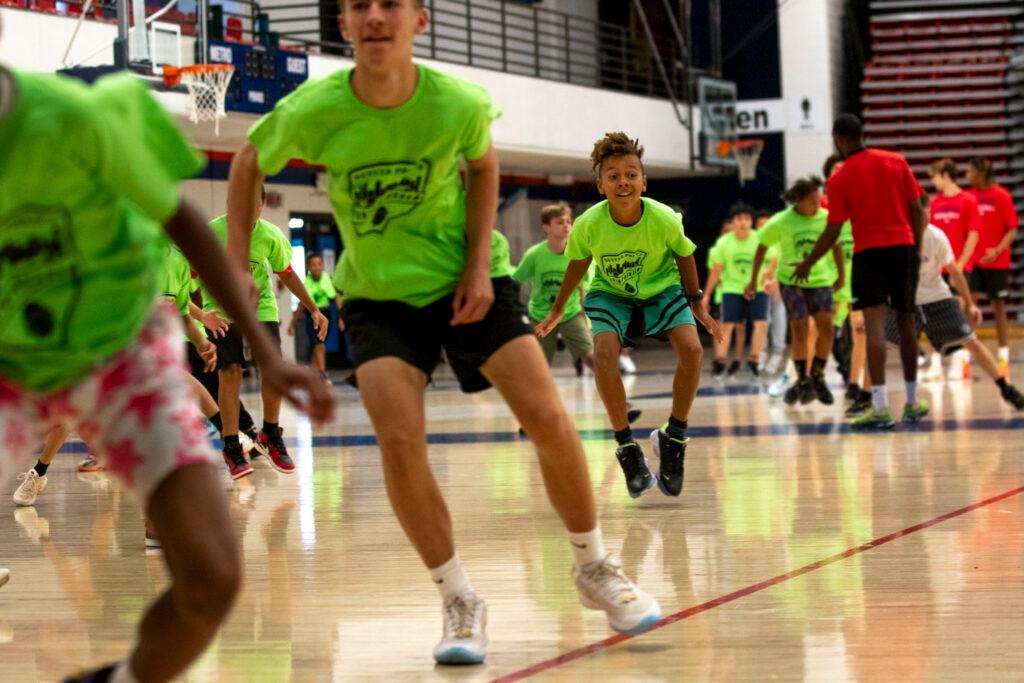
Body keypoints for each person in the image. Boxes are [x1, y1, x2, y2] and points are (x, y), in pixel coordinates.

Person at [223, 0, 661, 664]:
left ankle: (593, 563)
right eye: (359, 7)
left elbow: (484, 164)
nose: (374, 16)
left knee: (548, 414)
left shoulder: (454, 101)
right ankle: (459, 596)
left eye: (389, 5)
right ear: (343, 24)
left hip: (466, 283)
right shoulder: (315, 108)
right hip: (376, 298)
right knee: (400, 441)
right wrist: (234, 266)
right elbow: (246, 165)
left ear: (418, 20)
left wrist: (481, 262)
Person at [0, 56, 333, 682]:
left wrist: (265, 352)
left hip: (121, 354)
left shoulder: (88, 110)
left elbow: (185, 223)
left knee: (214, 574)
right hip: (13, 365)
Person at [537, 131, 723, 499]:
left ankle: (674, 438)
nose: (623, 181)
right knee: (604, 355)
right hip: (611, 293)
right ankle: (627, 448)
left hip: (661, 288)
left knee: (693, 350)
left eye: (631, 174)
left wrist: (696, 302)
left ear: (643, 180)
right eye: (614, 175)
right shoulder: (590, 224)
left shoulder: (664, 218)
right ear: (600, 185)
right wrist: (559, 308)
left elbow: (685, 255)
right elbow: (579, 262)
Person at [793, 114, 929, 429]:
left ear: (838, 139)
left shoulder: (840, 178)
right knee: (906, 323)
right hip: (903, 249)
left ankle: (879, 406)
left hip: (868, 254)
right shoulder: (896, 161)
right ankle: (911, 402)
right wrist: (917, 249)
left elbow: (833, 229)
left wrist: (808, 263)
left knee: (874, 326)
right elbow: (918, 209)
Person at [201, 193, 329, 479]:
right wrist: (201, 321)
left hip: (262, 308)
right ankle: (232, 445)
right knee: (230, 371)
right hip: (221, 308)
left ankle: (270, 433)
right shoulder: (212, 231)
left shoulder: (271, 235)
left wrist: (313, 309)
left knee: (273, 368)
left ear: (261, 206)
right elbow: (194, 277)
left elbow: (288, 274)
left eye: (252, 208)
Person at [884, 223, 1024, 410]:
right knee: (878, 344)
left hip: (938, 298)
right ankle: (869, 396)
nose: (924, 218)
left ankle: (1006, 389)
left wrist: (970, 304)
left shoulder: (936, 236)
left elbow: (955, 272)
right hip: (906, 301)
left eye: (926, 213)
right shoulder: (897, 236)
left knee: (972, 342)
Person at [746, 177, 843, 406]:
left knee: (827, 328)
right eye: (812, 201)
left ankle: (817, 376)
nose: (817, 204)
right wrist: (752, 281)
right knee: (799, 330)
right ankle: (802, 380)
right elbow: (761, 248)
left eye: (818, 199)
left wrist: (841, 275)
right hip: (791, 281)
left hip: (820, 280)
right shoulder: (781, 221)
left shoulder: (825, 218)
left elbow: (836, 245)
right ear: (798, 201)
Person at [513, 202, 595, 371]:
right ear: (546, 228)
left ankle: (613, 394)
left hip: (570, 313)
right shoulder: (534, 255)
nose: (566, 225)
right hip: (540, 315)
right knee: (539, 366)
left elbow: (582, 290)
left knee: (592, 358)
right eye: (560, 222)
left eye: (568, 221)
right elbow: (516, 282)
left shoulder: (578, 254)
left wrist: (586, 320)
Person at [821, 154, 870, 414]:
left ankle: (855, 384)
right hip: (830, 279)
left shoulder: (861, 202)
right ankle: (799, 376)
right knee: (819, 332)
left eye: (844, 169)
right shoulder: (819, 208)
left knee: (861, 332)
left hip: (858, 276)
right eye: (836, 170)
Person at [928, 158, 981, 381]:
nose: (933, 180)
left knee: (957, 313)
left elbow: (974, 235)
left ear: (945, 175)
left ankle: (959, 360)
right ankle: (936, 364)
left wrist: (958, 265)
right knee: (933, 316)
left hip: (959, 269)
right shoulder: (934, 203)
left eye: (934, 175)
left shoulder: (968, 201)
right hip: (936, 271)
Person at [966, 157, 1019, 380]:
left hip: (996, 261)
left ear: (981, 173)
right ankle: (965, 358)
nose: (968, 175)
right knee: (970, 306)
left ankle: (1003, 355)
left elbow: (1013, 229)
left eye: (971, 172)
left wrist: (997, 250)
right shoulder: (969, 197)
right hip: (974, 261)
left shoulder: (1001, 195)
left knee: (999, 307)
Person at [703, 202, 767, 378]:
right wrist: (707, 295)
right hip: (731, 288)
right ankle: (721, 361)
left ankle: (754, 360)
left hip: (756, 287)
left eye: (747, 218)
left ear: (752, 222)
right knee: (726, 325)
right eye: (739, 219)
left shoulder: (760, 239)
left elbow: (773, 261)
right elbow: (715, 271)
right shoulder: (724, 243)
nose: (743, 222)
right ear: (732, 222)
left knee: (761, 323)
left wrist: (768, 279)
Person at [288, 252, 344, 383]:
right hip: (312, 316)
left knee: (318, 346)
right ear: (308, 267)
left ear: (323, 266)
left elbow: (336, 297)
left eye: (319, 264)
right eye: (313, 265)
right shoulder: (306, 284)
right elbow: (301, 305)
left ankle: (312, 375)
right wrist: (292, 323)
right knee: (320, 345)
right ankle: (323, 374)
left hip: (327, 314)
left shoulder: (327, 279)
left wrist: (342, 316)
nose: (317, 267)